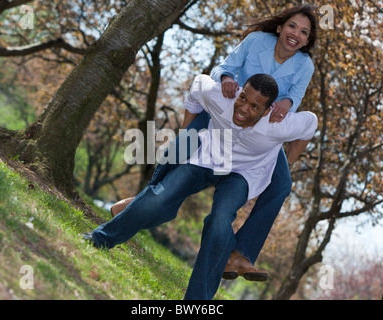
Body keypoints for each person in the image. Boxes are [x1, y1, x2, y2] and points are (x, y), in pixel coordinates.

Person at [110, 5, 319, 281]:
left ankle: (240, 254)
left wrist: (286, 103)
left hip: (256, 130)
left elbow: (296, 97)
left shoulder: (305, 64)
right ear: (280, 28)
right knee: (182, 147)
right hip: (224, 115)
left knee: (281, 185)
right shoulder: (257, 41)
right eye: (293, 26)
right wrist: (228, 79)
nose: (297, 34)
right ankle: (138, 204)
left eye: (304, 32)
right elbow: (224, 67)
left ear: (306, 40)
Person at [84, 74, 318, 300]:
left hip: (242, 174)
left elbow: (311, 123)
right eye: (243, 98)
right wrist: (186, 132)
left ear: (267, 111)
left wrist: (288, 161)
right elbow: (197, 84)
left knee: (220, 219)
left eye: (255, 107)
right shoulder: (220, 97)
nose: (244, 108)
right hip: (206, 158)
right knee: (159, 197)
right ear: (240, 91)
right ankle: (100, 238)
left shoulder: (279, 125)